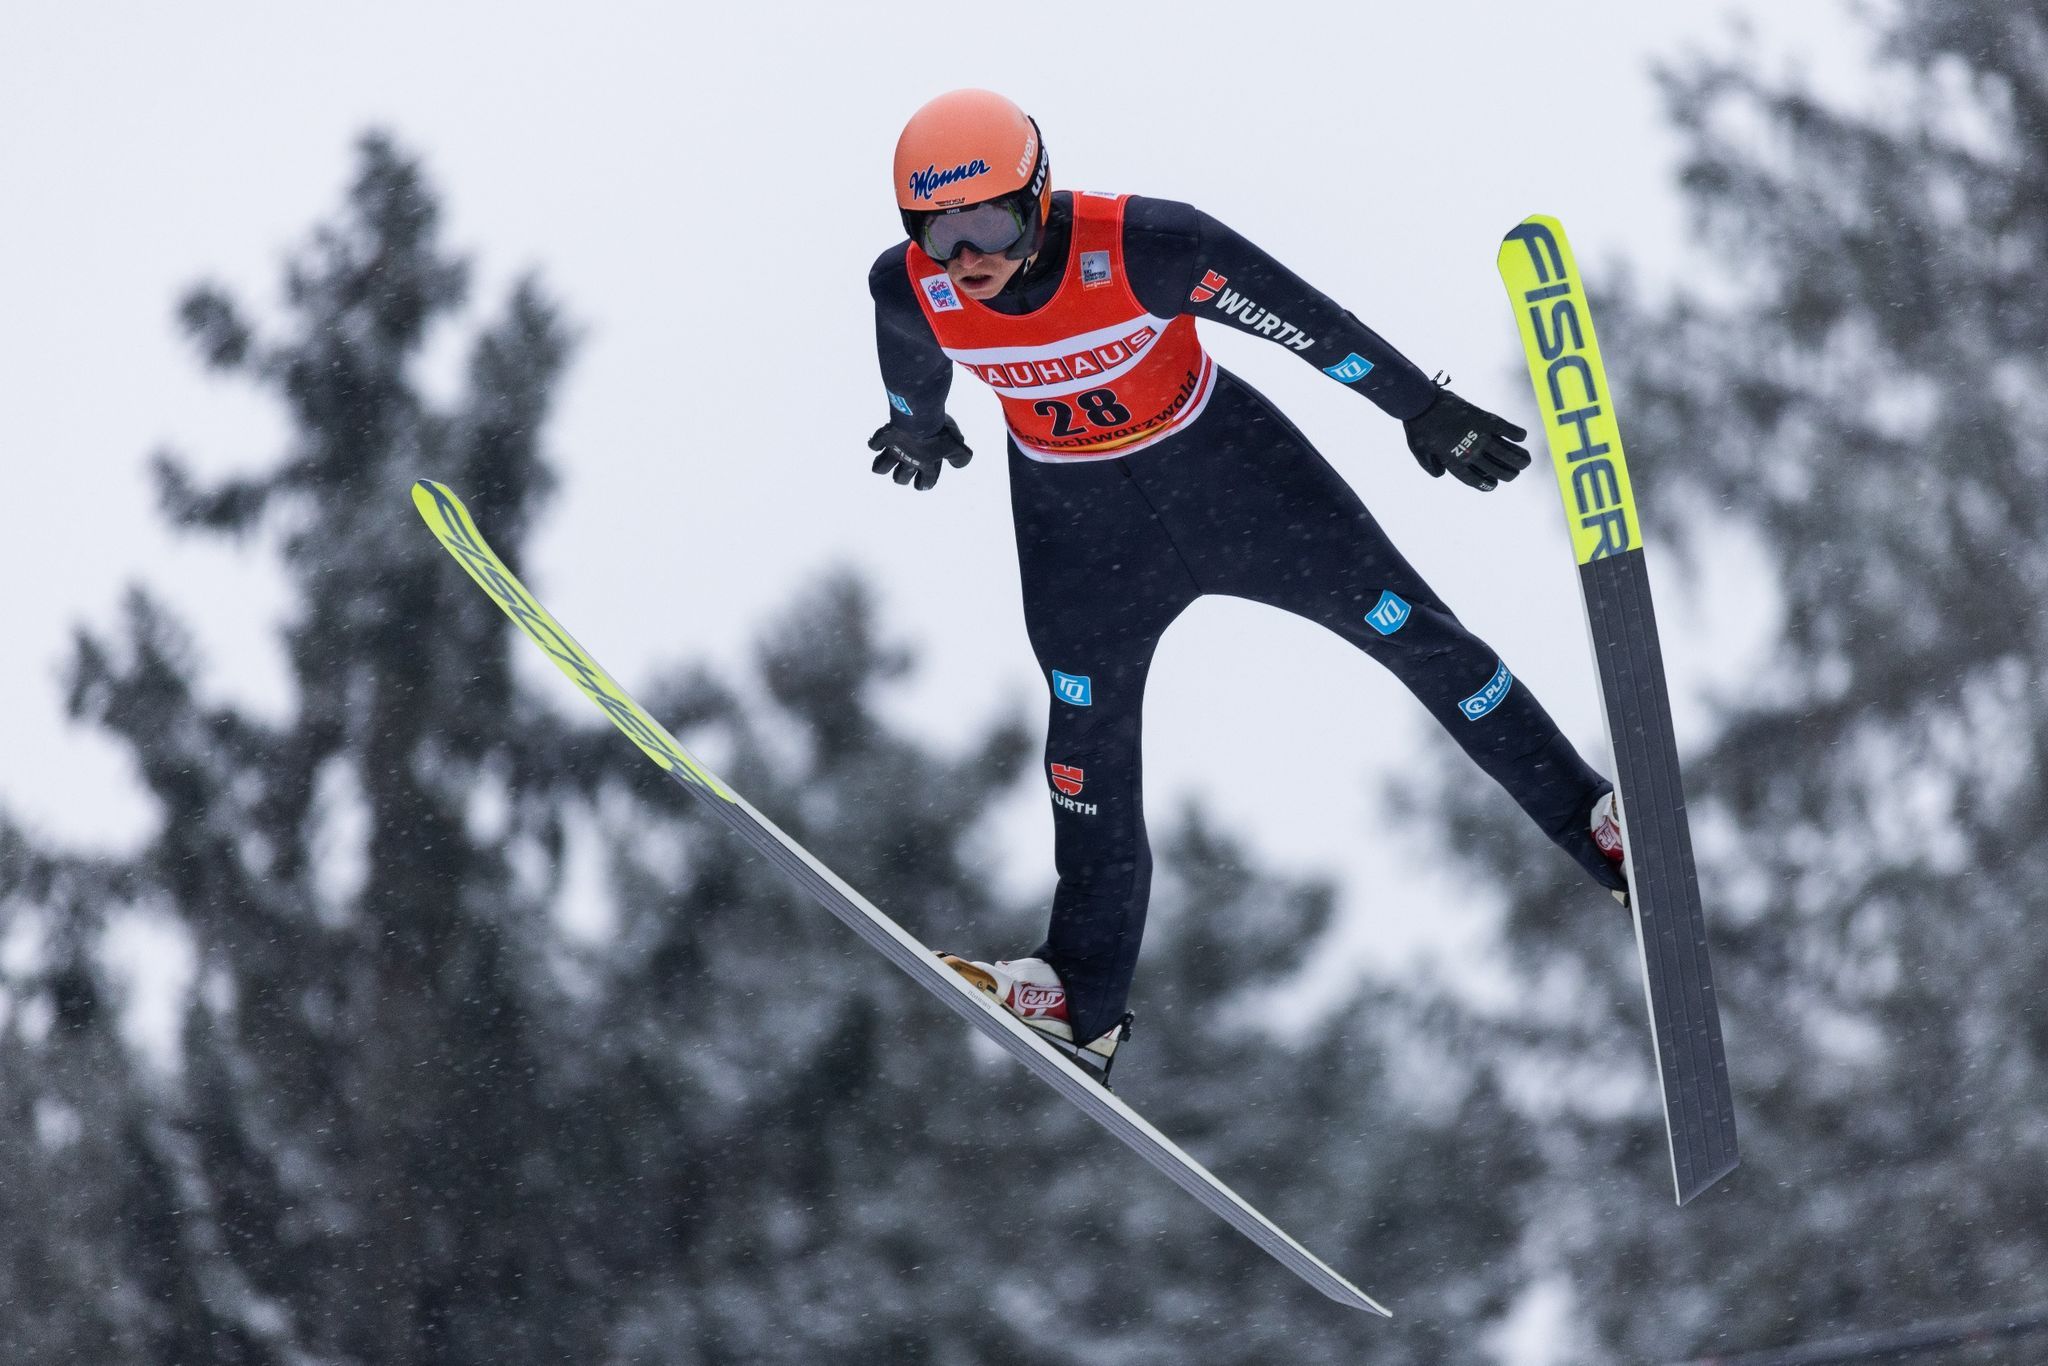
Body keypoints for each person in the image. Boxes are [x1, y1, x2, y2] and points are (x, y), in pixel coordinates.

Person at [868, 89, 1629, 1081]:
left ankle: (1602, 833)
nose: (966, 255)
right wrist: (917, 428)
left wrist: (1419, 407)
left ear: (1041, 199)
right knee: (1082, 744)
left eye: (989, 222)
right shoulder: (908, 288)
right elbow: (909, 366)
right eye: (937, 233)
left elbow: (1305, 325)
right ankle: (1077, 994)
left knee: (1417, 637)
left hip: (1234, 481)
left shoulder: (1151, 245)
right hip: (1081, 535)